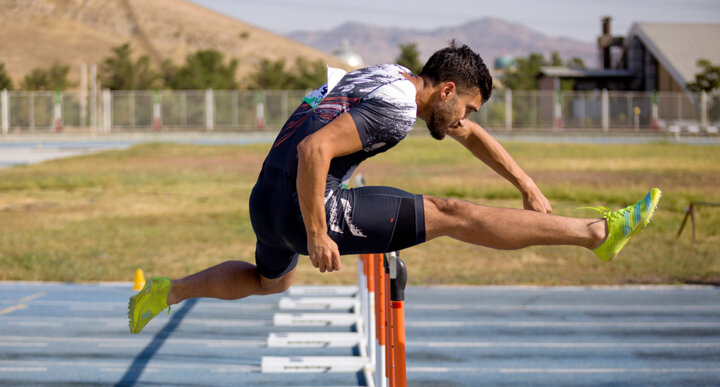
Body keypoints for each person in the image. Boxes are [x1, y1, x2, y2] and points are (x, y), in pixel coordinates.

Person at [128, 41, 661, 334]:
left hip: (262, 200)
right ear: (447, 89)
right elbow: (315, 152)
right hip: (300, 203)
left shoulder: (388, 75)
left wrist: (524, 181)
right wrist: (317, 230)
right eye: (466, 107)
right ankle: (597, 232)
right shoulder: (397, 110)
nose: (462, 121)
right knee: (450, 212)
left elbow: (465, 133)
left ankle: (167, 291)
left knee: (272, 282)